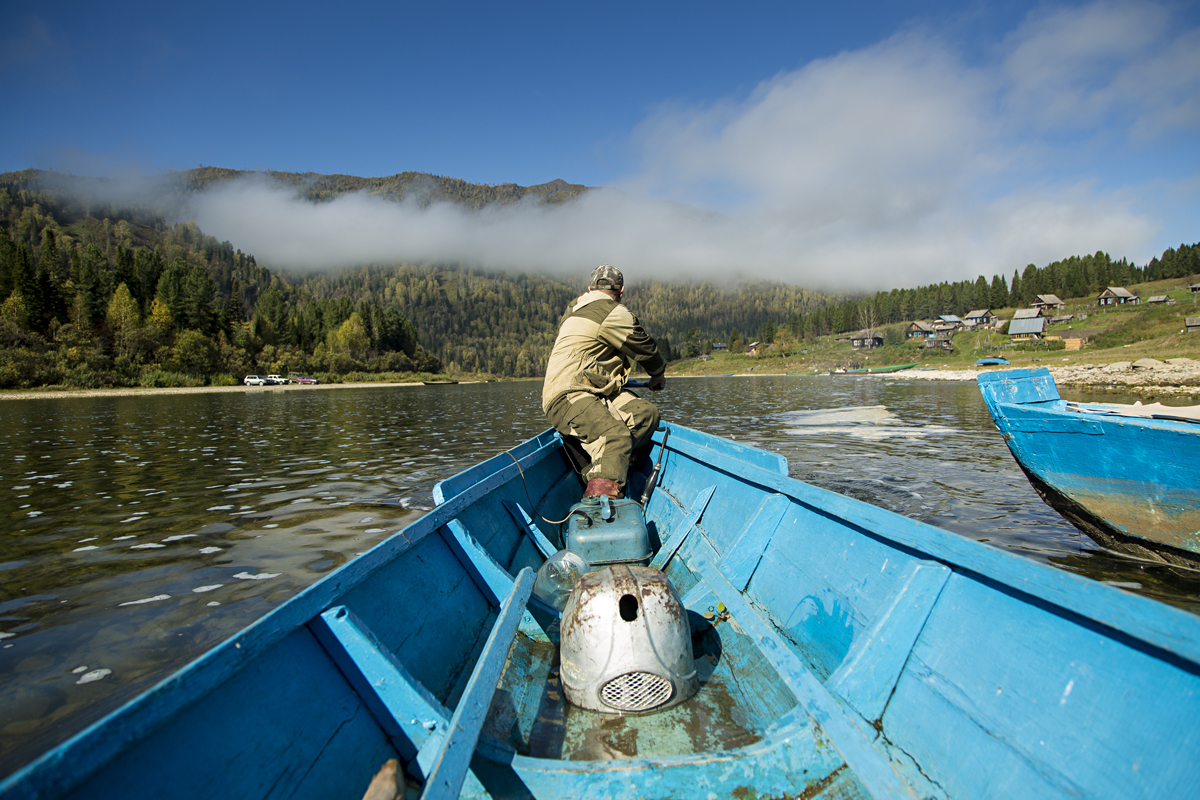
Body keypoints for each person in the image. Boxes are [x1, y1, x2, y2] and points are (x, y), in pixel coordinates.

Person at [542, 265, 666, 499]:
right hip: (569, 397)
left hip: (596, 392)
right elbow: (646, 348)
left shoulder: (573, 310)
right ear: (621, 291)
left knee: (645, 414)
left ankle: (606, 465)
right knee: (615, 437)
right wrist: (657, 374)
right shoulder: (613, 312)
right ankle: (600, 506)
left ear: (590, 289)